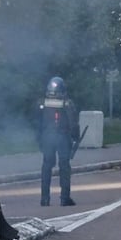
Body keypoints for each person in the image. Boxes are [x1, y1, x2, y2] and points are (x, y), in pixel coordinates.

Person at [38, 76, 81, 207]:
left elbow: (37, 121)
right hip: (63, 137)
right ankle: (64, 198)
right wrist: (75, 137)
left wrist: (39, 138)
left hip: (47, 136)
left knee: (46, 167)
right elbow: (73, 122)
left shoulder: (43, 102)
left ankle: (44, 199)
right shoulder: (67, 103)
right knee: (64, 167)